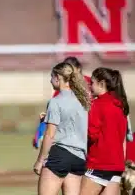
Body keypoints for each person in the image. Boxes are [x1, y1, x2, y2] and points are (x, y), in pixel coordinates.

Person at [33, 62, 91, 195]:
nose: (50, 80)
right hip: (79, 159)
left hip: (60, 155)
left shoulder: (55, 101)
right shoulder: (82, 100)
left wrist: (40, 161)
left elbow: (49, 135)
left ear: (58, 78)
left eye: (52, 77)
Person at [80, 67, 129, 195]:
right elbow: (122, 139)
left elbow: (91, 135)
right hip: (117, 165)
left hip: (99, 163)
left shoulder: (97, 105)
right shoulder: (120, 105)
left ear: (101, 84)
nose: (90, 86)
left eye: (92, 83)